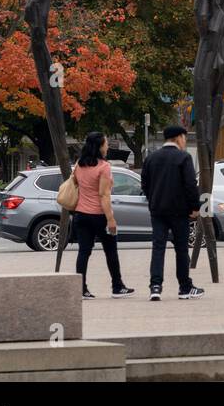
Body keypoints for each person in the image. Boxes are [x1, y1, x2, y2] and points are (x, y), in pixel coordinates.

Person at [141, 125, 203, 300]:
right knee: (181, 249)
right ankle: (184, 287)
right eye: (184, 137)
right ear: (177, 138)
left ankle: (155, 286)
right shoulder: (184, 158)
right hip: (179, 211)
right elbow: (191, 185)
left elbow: (144, 184)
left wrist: (153, 198)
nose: (185, 141)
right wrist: (195, 207)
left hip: (157, 210)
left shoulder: (151, 158)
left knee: (158, 248)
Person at [70, 132, 133, 300]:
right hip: (99, 215)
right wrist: (111, 219)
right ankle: (117, 287)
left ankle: (81, 289)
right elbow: (104, 195)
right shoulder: (104, 167)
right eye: (105, 143)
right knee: (111, 251)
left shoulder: (79, 165)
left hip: (81, 214)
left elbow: (76, 184)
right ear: (99, 146)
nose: (107, 146)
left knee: (83, 252)